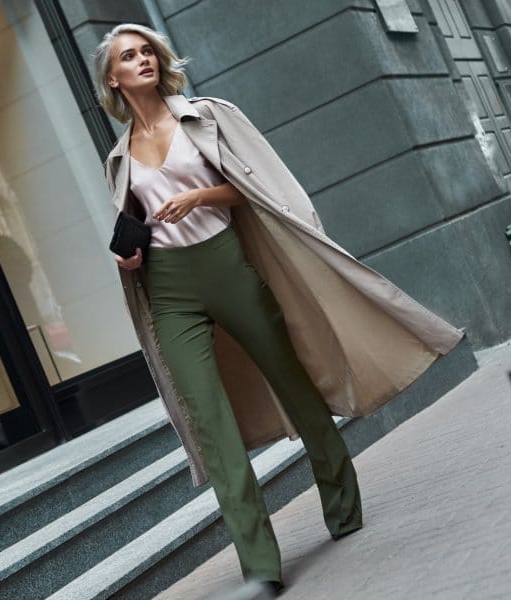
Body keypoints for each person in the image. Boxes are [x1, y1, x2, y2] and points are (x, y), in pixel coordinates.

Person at [94, 23, 464, 595]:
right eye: (127, 57)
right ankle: (260, 566)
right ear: (112, 78)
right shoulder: (119, 158)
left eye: (147, 51)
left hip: (227, 265)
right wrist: (132, 259)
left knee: (294, 385)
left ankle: (341, 501)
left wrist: (201, 195)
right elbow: (139, 223)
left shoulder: (208, 115)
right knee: (211, 426)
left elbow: (259, 187)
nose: (141, 60)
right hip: (168, 289)